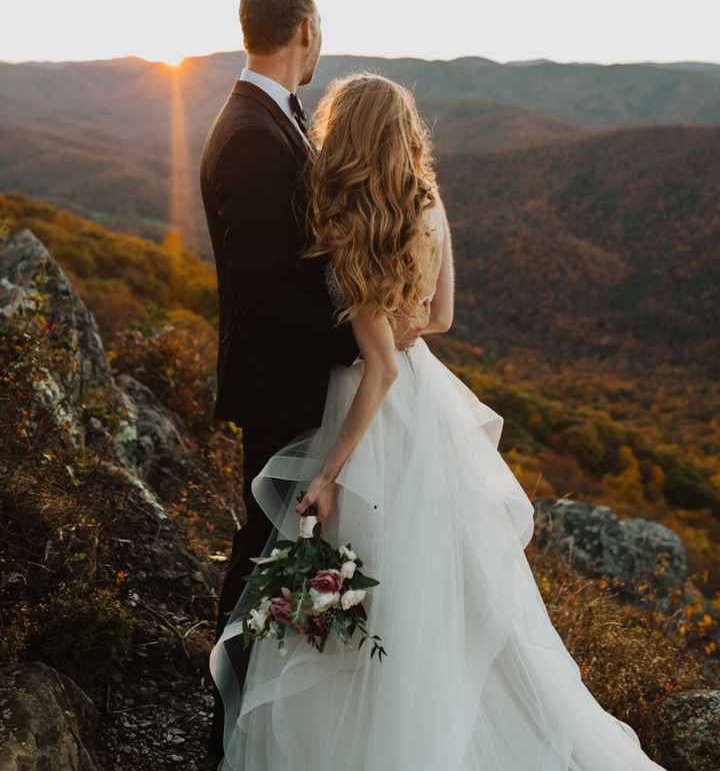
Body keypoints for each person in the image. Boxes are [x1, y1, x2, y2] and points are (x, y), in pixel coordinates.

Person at [209, 72, 667, 771]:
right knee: (424, 591)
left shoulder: (350, 220)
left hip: (369, 406)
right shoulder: (428, 202)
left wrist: (331, 473)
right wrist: (404, 322)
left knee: (356, 582)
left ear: (345, 135)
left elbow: (381, 367)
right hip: (428, 404)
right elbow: (442, 318)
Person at [200, 0, 420, 764]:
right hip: (281, 384)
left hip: (302, 381)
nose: (321, 40)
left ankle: (301, 718)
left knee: (296, 554)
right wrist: (363, 342)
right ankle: (235, 723)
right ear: (303, 29)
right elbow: (267, 299)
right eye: (319, 28)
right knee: (267, 555)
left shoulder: (272, 120)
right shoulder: (255, 136)